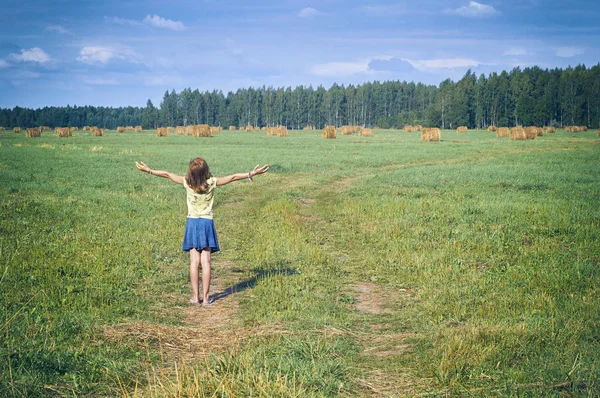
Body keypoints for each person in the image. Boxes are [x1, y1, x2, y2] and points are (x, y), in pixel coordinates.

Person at [135, 158, 269, 306]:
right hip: (206, 223)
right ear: (206, 171)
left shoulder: (187, 183)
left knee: (194, 262)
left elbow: (167, 174)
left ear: (190, 172)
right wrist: (251, 173)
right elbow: (233, 177)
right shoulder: (211, 182)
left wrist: (149, 170)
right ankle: (206, 299)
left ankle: (195, 297)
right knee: (206, 262)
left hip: (192, 223)